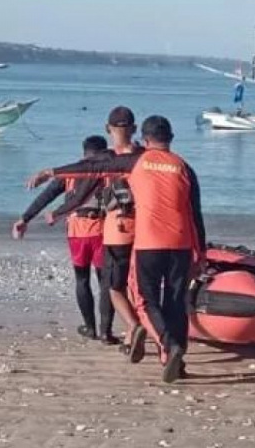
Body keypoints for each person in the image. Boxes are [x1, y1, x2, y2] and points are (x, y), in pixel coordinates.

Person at [27, 116, 206, 384]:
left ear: (145, 140)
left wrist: (52, 172)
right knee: (175, 302)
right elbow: (196, 214)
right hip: (181, 244)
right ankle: (176, 361)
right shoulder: (184, 167)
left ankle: (169, 348)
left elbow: (93, 167)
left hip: (149, 243)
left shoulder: (137, 161)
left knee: (147, 301)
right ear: (171, 138)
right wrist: (200, 253)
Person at [13, 136, 116, 343]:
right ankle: (106, 332)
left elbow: (46, 196)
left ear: (83, 153)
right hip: (101, 230)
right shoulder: (108, 171)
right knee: (105, 281)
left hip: (77, 232)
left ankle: (89, 327)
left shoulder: (72, 171)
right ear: (104, 152)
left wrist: (24, 219)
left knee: (82, 279)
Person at [100, 107, 143, 356]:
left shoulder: (106, 159)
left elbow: (80, 187)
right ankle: (130, 334)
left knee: (115, 286)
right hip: (146, 231)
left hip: (116, 231)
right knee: (137, 284)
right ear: (135, 129)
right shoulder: (145, 158)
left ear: (108, 129)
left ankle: (132, 328)